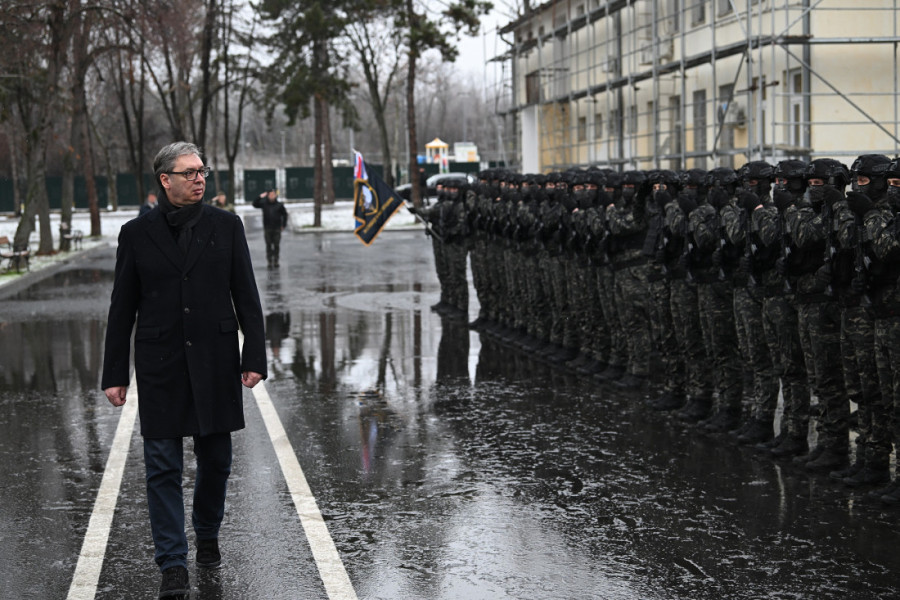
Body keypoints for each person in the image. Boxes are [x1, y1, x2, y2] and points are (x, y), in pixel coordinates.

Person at [101, 141, 267, 598]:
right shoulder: (136, 234)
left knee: (216, 460)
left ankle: (207, 530)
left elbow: (246, 295)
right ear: (165, 180)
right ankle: (172, 563)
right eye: (189, 172)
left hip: (215, 360)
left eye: (202, 171)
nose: (199, 179)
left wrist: (254, 355)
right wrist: (114, 373)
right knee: (161, 466)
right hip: (160, 364)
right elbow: (122, 307)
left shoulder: (226, 226)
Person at [253, 188, 288, 267]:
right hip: (267, 228)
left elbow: (285, 215)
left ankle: (276, 260)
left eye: (273, 194)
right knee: (268, 245)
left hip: (277, 228)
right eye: (270, 195)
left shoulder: (279, 205)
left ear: (275, 195)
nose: (272, 196)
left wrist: (283, 225)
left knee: (276, 245)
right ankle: (269, 260)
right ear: (268, 196)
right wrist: (260, 196)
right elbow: (254, 204)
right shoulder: (264, 204)